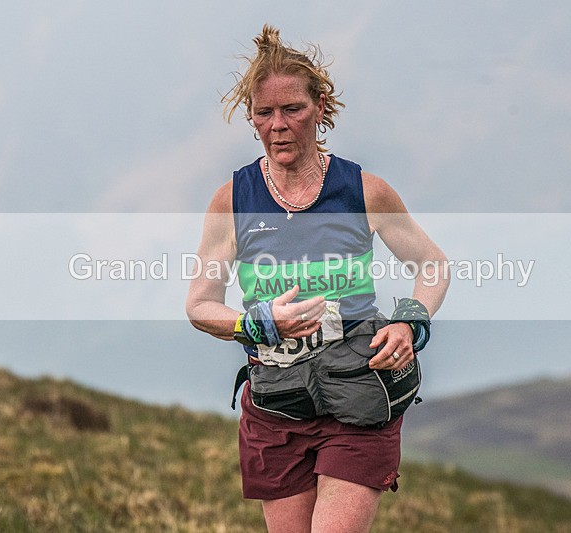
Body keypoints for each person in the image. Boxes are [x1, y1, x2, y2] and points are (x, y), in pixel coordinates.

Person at [186, 24, 448, 533]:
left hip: (359, 392)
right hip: (276, 404)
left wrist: (409, 324)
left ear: (321, 107)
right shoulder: (232, 200)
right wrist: (258, 324)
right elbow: (200, 305)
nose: (278, 125)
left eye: (293, 110)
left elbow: (432, 265)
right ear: (252, 119)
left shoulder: (364, 191)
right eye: (264, 113)